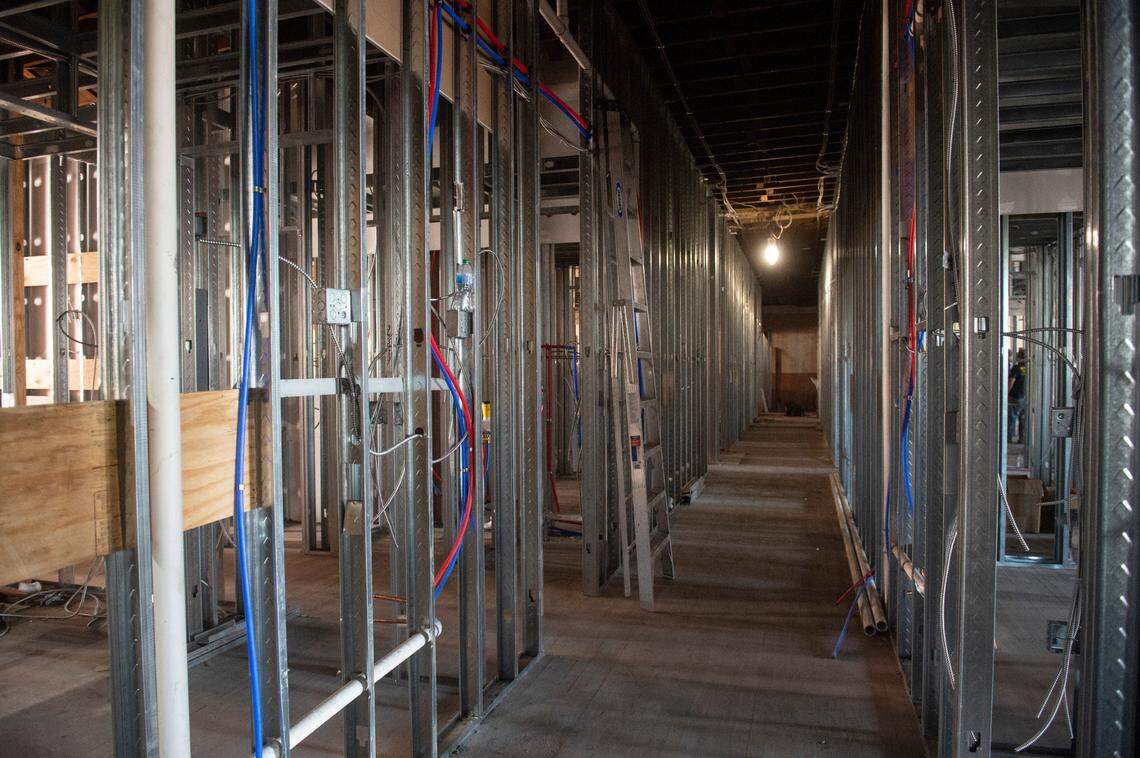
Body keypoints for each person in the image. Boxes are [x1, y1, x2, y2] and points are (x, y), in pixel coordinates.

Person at [1008, 348, 1027, 442]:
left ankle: (1009, 437)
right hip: (1026, 397)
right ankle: (1022, 438)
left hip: (1015, 396)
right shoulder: (1030, 368)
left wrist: (1006, 394)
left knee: (1012, 418)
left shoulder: (1016, 368)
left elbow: (1011, 382)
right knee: (1023, 419)